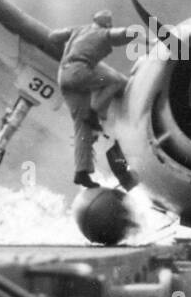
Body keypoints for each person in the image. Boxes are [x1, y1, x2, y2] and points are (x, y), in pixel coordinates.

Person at [49, 11, 133, 187]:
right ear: (107, 24)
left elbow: (53, 36)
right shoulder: (103, 32)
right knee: (116, 80)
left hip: (64, 76)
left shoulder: (78, 29)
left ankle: (82, 173)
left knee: (82, 128)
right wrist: (139, 34)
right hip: (80, 73)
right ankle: (95, 112)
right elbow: (122, 34)